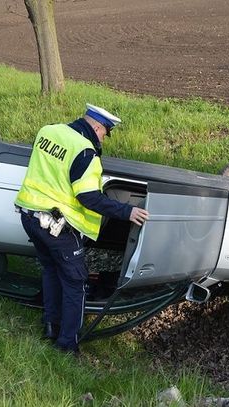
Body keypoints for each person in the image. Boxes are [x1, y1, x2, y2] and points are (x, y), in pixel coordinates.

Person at [14, 104, 149, 354]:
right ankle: (67, 346)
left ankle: (51, 327)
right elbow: (89, 197)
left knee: (51, 271)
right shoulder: (85, 152)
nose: (102, 139)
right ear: (97, 127)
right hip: (57, 227)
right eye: (104, 133)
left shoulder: (49, 131)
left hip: (29, 216)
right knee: (76, 283)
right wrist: (127, 212)